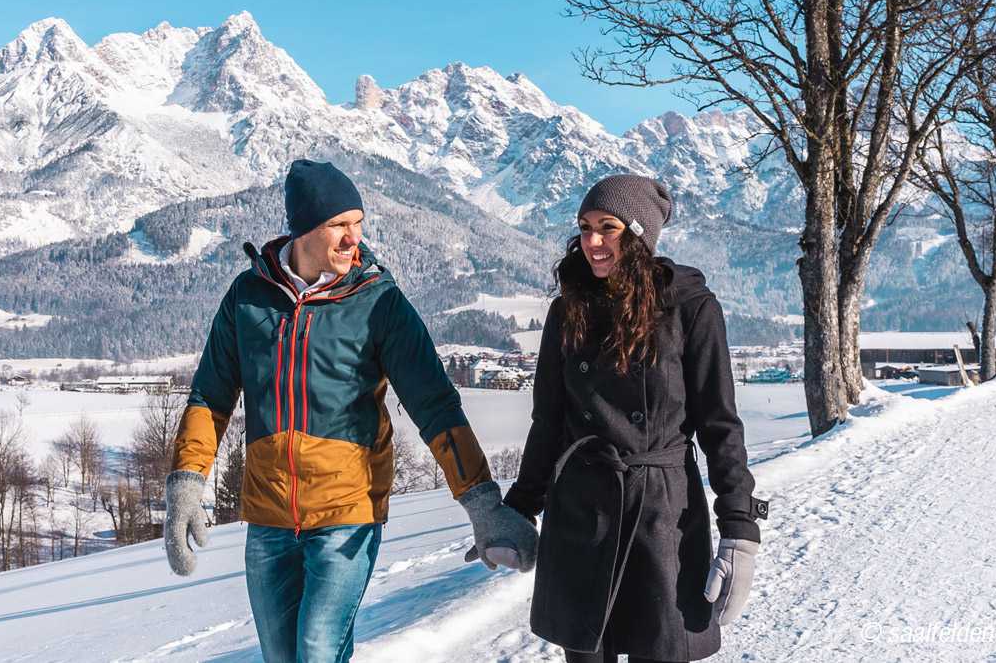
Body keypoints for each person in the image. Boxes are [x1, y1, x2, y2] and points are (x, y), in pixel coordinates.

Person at [162, 159, 538, 663]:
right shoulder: (248, 297)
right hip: (269, 516)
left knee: (318, 650)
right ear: (303, 231)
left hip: (347, 513)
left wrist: (483, 504)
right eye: (338, 225)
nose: (352, 238)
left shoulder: (379, 302)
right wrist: (187, 482)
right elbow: (210, 397)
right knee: (280, 655)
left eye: (357, 224)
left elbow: (435, 405)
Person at [504, 175, 767, 662]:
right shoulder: (568, 310)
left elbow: (719, 425)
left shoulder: (690, 308)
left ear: (640, 235)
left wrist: (739, 527)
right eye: (585, 228)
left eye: (609, 227)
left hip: (662, 512)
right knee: (586, 650)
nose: (593, 242)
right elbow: (549, 423)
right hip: (582, 510)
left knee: (661, 649)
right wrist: (517, 510)